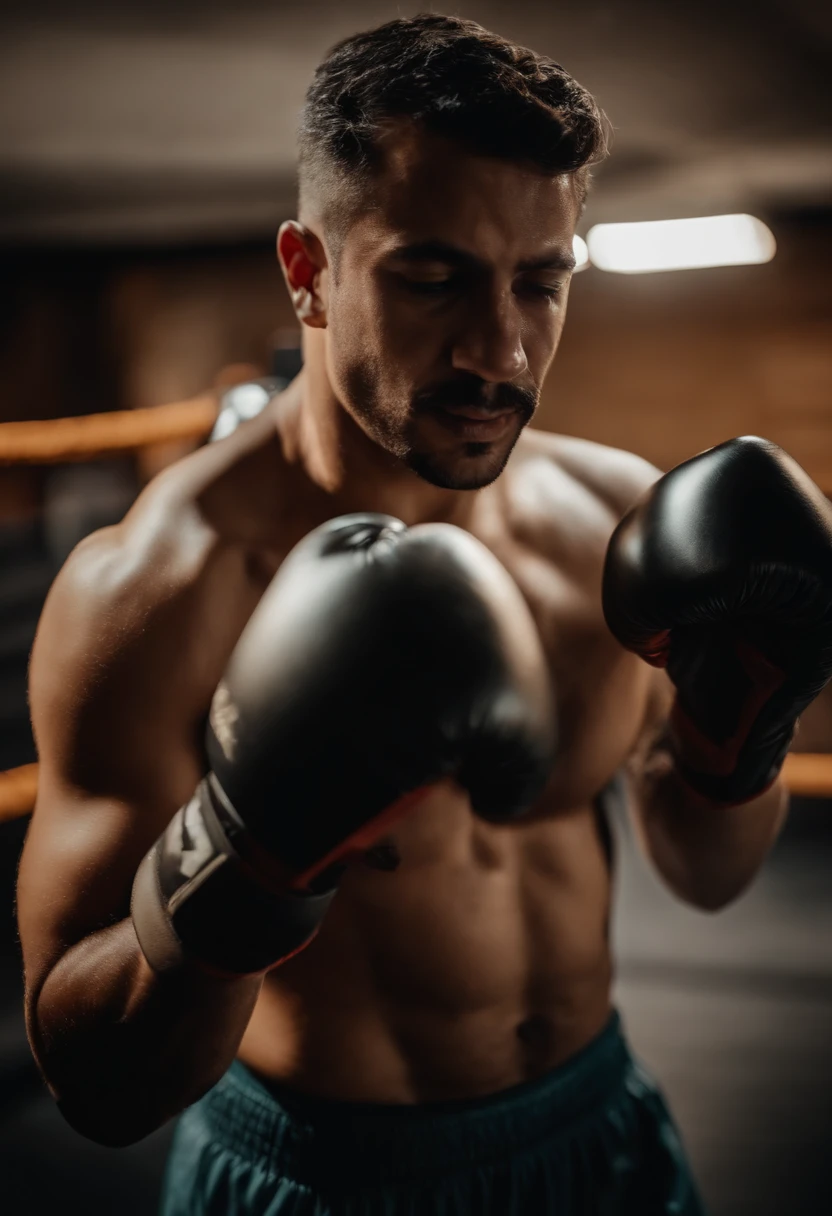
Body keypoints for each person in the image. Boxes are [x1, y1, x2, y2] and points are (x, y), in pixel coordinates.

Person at [16, 14, 832, 1216]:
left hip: (598, 1131)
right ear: (308, 272)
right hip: (327, 1178)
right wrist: (243, 859)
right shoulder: (162, 591)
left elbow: (705, 873)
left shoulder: (612, 518)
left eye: (541, 282)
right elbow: (96, 1083)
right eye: (434, 276)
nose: (500, 349)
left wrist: (737, 723)